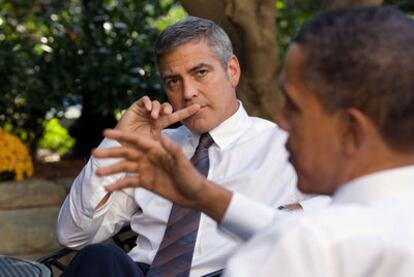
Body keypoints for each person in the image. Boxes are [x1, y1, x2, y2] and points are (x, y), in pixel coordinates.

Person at [93, 6, 414, 277]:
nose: (282, 122)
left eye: (294, 107)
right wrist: (205, 196)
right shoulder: (373, 223)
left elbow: (302, 239)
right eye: (174, 80)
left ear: (351, 128)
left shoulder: (301, 249)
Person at [56, 16, 327, 277]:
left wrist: (291, 215)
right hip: (143, 271)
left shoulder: (284, 145)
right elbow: (72, 235)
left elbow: (353, 216)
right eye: (174, 81)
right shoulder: (154, 147)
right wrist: (118, 139)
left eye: (200, 73)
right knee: (99, 258)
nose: (187, 93)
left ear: (231, 71)